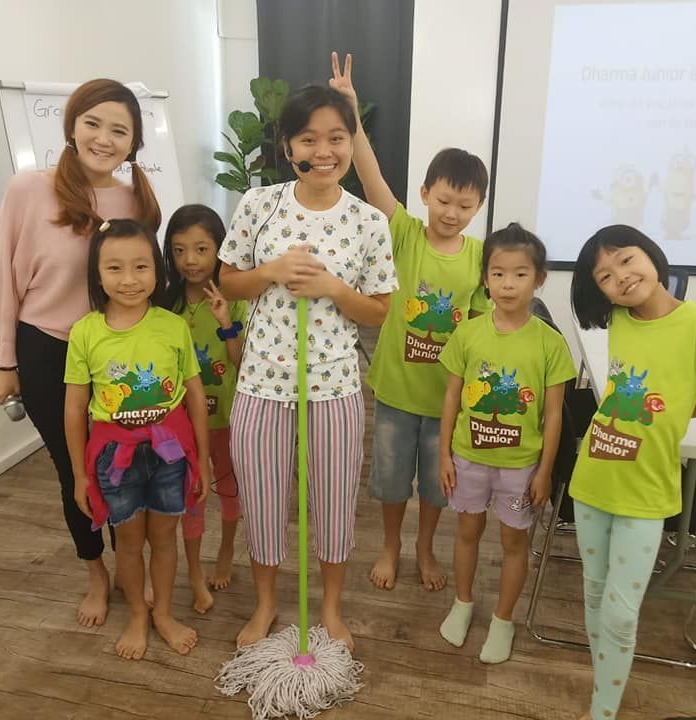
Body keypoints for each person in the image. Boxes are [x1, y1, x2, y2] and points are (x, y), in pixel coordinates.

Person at [218, 84, 397, 651]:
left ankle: (331, 609)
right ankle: (266, 603)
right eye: (308, 139)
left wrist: (333, 288)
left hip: (335, 386)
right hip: (261, 384)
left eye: (337, 138)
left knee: (335, 505)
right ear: (287, 145)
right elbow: (228, 282)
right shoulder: (259, 205)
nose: (324, 151)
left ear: (351, 142)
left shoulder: (369, 221)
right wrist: (270, 271)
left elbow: (380, 310)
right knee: (263, 501)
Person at [0, 78, 161, 627]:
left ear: (133, 143)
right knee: (74, 470)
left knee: (121, 467)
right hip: (46, 349)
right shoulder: (28, 189)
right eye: (93, 124)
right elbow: (4, 280)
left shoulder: (133, 200)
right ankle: (96, 573)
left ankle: (129, 567)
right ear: (71, 126)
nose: (104, 139)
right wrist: (5, 361)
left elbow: (142, 281)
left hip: (114, 352)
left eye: (119, 131)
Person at [568, 225, 696, 719]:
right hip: (594, 475)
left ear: (651, 254)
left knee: (622, 614)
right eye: (605, 276)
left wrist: (676, 412)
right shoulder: (620, 320)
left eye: (627, 260)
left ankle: (602, 711)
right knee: (594, 592)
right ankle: (601, 691)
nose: (621, 277)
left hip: (648, 489)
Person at [329, 52, 491, 592]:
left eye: (464, 205)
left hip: (447, 398)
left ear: (478, 207)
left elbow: (480, 330)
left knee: (437, 485)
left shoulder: (481, 258)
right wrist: (351, 113)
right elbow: (371, 177)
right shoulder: (403, 234)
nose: (451, 212)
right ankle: (391, 544)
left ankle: (424, 546)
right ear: (424, 195)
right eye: (443, 200)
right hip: (397, 390)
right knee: (392, 480)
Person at [64, 219, 211, 660]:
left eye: (141, 267)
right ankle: (136, 615)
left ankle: (162, 613)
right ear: (97, 274)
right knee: (128, 543)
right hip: (114, 458)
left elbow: (195, 397)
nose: (129, 279)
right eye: (115, 268)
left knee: (164, 539)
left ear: (157, 271)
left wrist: (202, 460)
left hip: (170, 454)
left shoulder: (172, 326)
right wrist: (79, 475)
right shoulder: (85, 332)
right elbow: (74, 408)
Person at [438, 224, 575, 663]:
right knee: (466, 532)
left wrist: (545, 471)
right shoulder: (467, 333)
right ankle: (462, 603)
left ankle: (503, 619)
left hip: (521, 467)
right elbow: (452, 397)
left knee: (514, 542)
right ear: (485, 278)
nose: (508, 284)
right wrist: (444, 454)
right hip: (467, 458)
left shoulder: (551, 344)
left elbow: (554, 415)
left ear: (539, 279)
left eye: (520, 274)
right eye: (498, 273)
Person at [162, 204, 246, 614]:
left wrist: (226, 321)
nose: (190, 260)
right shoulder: (165, 304)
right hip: (181, 424)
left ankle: (227, 550)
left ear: (219, 249)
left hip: (226, 417)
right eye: (179, 250)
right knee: (191, 495)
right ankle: (195, 572)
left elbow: (240, 362)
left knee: (230, 489)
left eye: (201, 249)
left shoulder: (236, 297)